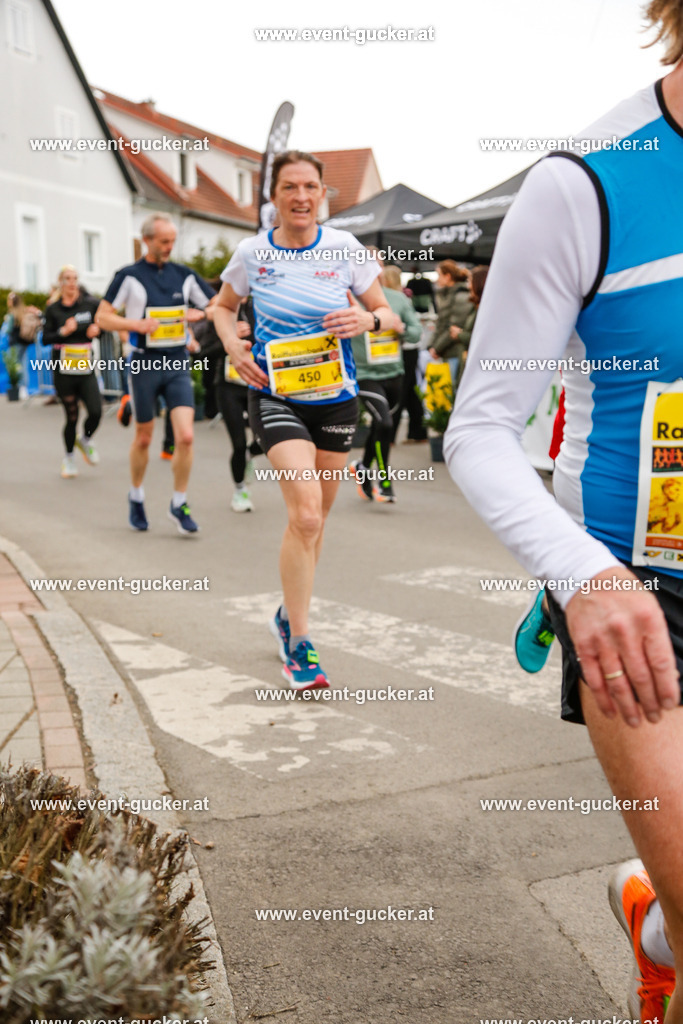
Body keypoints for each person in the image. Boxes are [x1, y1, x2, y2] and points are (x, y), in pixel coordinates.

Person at [446, 5, 683, 1018]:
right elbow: (480, 428)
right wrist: (580, 573)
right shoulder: (583, 184)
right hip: (642, 607)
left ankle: (656, 922)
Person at [213, 149, 393, 690]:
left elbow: (386, 314)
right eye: (290, 187)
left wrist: (366, 317)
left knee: (317, 520)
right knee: (307, 516)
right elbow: (222, 306)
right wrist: (233, 346)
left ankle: (286, 614)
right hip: (275, 395)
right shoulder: (252, 252)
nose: (301, 196)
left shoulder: (344, 248)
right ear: (274, 196)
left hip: (336, 399)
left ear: (322, 194)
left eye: (310, 187)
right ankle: (300, 643)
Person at [95, 214, 213, 534]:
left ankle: (179, 502)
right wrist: (135, 325)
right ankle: (136, 495)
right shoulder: (129, 276)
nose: (169, 247)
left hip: (176, 362)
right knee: (144, 437)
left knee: (186, 436)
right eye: (163, 242)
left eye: (172, 241)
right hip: (144, 363)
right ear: (147, 240)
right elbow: (103, 317)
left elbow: (217, 307)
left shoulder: (184, 275)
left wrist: (198, 314)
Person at [350, 263, 421, 503]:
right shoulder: (348, 298)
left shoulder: (397, 299)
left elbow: (416, 332)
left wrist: (401, 328)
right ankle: (385, 482)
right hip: (364, 374)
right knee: (384, 423)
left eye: (375, 265)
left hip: (394, 373)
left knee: (381, 426)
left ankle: (362, 466)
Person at [195, 287, 261, 512]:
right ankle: (240, 490)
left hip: (256, 385)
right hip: (228, 388)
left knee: (265, 441)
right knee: (239, 443)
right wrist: (230, 339)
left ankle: (251, 455)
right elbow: (202, 353)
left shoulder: (260, 309)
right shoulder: (221, 314)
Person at [42, 266, 101, 479]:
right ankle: (69, 459)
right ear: (61, 282)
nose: (72, 282)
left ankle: (84, 440)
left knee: (95, 411)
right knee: (72, 416)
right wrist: (62, 332)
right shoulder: (54, 309)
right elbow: (45, 338)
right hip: (63, 367)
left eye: (75, 278)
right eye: (67, 278)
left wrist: (98, 330)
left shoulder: (89, 304)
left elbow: (101, 325)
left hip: (84, 366)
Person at [428, 261, 474, 383]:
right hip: (447, 351)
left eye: (439, 275)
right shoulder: (448, 294)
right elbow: (442, 324)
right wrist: (433, 346)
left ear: (447, 276)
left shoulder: (461, 296)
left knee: (452, 390)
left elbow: (452, 327)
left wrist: (436, 348)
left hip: (454, 351)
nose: (437, 279)